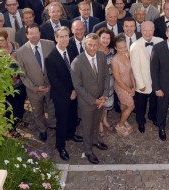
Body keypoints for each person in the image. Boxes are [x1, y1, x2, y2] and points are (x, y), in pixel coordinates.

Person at [70, 33, 111, 165]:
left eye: (95, 45)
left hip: (101, 99)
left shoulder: (101, 56)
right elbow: (78, 86)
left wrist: (104, 94)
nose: (92, 48)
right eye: (90, 45)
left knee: (96, 122)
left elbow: (105, 76)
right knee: (87, 127)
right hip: (87, 102)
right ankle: (88, 151)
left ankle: (95, 140)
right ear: (84, 45)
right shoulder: (77, 62)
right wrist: (93, 100)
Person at [45, 27, 82, 161]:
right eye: (61, 36)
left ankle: (71, 134)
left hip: (74, 91)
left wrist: (76, 90)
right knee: (62, 121)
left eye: (66, 36)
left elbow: (76, 70)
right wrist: (68, 93)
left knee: (73, 115)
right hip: (61, 95)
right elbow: (54, 81)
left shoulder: (72, 49)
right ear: (56, 38)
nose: (65, 39)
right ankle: (60, 146)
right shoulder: (50, 58)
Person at [16, 23, 56, 142]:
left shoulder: (50, 44)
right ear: (27, 35)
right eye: (31, 33)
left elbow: (55, 65)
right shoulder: (21, 52)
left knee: (52, 107)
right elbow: (22, 74)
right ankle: (42, 129)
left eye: (36, 33)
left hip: (50, 86)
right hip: (34, 89)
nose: (34, 36)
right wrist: (35, 88)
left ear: (40, 33)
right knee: (37, 111)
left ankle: (53, 124)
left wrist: (52, 83)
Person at [130, 21, 163, 133]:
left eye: (150, 30)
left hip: (156, 81)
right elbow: (135, 67)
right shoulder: (135, 46)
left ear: (154, 30)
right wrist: (140, 84)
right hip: (143, 82)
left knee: (155, 102)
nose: (147, 33)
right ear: (140, 30)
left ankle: (152, 116)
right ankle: (140, 121)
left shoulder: (160, 41)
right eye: (145, 30)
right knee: (141, 105)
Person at [0, 30, 26, 138]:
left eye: (2, 40)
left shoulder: (15, 45)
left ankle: (19, 120)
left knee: (21, 103)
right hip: (7, 86)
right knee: (11, 108)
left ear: (7, 39)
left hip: (20, 81)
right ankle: (11, 129)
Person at [112, 36, 136, 136]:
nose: (123, 49)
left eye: (125, 47)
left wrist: (134, 86)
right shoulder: (114, 61)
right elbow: (118, 80)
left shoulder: (127, 54)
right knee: (131, 106)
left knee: (123, 103)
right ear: (115, 48)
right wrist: (129, 90)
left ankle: (124, 118)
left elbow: (131, 72)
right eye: (120, 48)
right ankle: (120, 125)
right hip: (121, 87)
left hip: (129, 84)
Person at [96, 27, 116, 137]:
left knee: (106, 104)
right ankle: (99, 124)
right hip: (98, 83)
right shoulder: (94, 50)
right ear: (99, 38)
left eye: (108, 38)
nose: (106, 40)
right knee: (100, 104)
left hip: (110, 83)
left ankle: (105, 120)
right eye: (103, 38)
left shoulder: (112, 51)